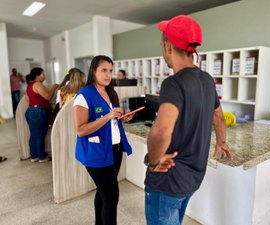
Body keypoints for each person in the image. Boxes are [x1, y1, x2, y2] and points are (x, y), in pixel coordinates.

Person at [144, 15, 233, 225]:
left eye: (161, 44)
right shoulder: (207, 80)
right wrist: (221, 142)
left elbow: (160, 131)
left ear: (168, 46)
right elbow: (219, 117)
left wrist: (153, 161)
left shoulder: (173, 84)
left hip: (168, 180)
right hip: (193, 179)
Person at [73, 55, 134, 225]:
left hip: (114, 149)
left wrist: (122, 118)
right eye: (104, 70)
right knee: (111, 198)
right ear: (93, 71)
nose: (108, 75)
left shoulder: (110, 92)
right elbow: (80, 130)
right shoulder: (84, 96)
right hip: (96, 153)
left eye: (111, 71)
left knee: (103, 193)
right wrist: (108, 116)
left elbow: (111, 121)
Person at [25, 67, 58, 163]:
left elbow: (28, 99)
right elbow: (47, 97)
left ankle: (34, 156)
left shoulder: (30, 85)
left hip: (31, 111)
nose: (44, 76)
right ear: (38, 75)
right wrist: (54, 87)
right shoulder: (37, 84)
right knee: (39, 136)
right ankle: (42, 157)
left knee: (34, 135)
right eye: (43, 74)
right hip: (38, 112)